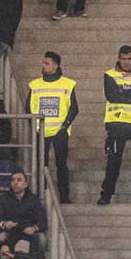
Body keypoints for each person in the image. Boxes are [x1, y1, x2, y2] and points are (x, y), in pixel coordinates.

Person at [97, 45, 131, 205]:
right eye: (123, 59)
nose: (126, 62)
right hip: (117, 124)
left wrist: (123, 91)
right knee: (113, 162)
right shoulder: (109, 74)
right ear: (118, 59)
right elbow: (112, 96)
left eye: (129, 59)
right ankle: (106, 195)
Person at [26, 52, 79, 204]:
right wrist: (35, 127)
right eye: (43, 62)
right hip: (40, 131)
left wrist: (65, 126)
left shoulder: (68, 84)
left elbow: (74, 108)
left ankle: (64, 197)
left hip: (60, 131)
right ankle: (40, 196)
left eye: (46, 63)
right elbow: (28, 108)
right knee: (41, 165)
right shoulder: (34, 85)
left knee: (61, 165)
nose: (43, 65)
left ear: (56, 66)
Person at [0, 171, 48, 259]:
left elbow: (42, 221)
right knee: (1, 237)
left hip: (27, 231)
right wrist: (4, 224)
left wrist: (33, 228)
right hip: (10, 232)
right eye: (13, 180)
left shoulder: (34, 199)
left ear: (26, 184)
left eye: (19, 180)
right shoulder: (3, 199)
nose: (15, 183)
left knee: (41, 238)